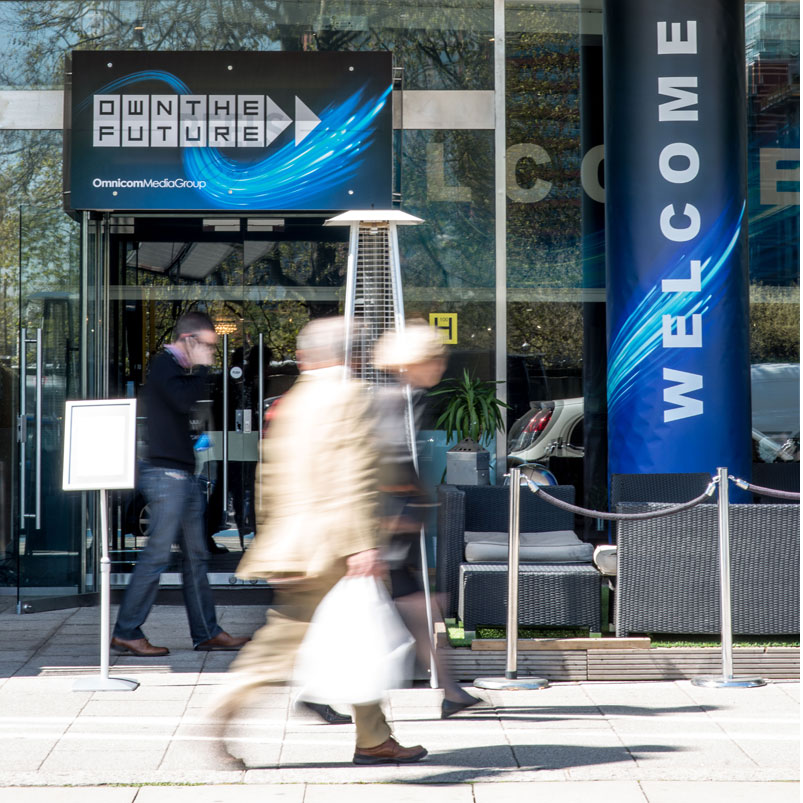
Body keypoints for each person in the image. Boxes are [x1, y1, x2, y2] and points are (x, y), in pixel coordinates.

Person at [210, 316, 428, 766]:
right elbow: (357, 471)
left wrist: (273, 537)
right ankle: (224, 707)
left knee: (356, 636)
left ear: (309, 355)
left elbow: (266, 476)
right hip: (334, 548)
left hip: (297, 543)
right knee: (284, 645)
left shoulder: (292, 400)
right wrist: (363, 544)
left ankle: (373, 738)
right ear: (352, 355)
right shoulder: (350, 395)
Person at [111, 311, 251, 657]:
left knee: (197, 559)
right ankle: (127, 630)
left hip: (182, 476)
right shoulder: (164, 364)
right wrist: (203, 369)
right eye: (207, 346)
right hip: (167, 477)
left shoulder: (176, 369)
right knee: (157, 556)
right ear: (189, 340)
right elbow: (183, 400)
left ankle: (206, 632)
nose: (211, 354)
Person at [372, 321, 482, 718]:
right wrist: (409, 505)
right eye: (435, 357)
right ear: (414, 361)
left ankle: (451, 690)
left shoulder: (402, 395)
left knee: (417, 606)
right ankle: (450, 690)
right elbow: (393, 455)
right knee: (411, 606)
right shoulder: (400, 398)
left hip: (394, 519)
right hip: (391, 521)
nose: (441, 364)